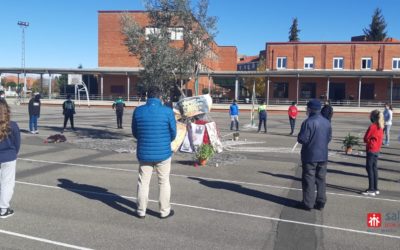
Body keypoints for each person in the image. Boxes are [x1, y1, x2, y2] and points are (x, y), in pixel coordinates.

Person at [132, 86, 177, 219]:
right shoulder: (168, 111)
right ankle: (164, 210)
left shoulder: (138, 111)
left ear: (147, 96)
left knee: (143, 182)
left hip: (144, 153)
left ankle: (141, 210)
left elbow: (135, 133)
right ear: (160, 97)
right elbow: (173, 134)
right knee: (163, 182)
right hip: (163, 153)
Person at [297, 99, 332, 211]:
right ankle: (321, 201)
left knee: (309, 179)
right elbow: (329, 138)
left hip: (310, 155)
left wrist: (299, 136)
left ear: (311, 109)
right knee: (321, 179)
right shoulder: (326, 122)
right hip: (323, 154)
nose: (306, 110)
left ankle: (308, 203)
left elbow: (303, 139)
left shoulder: (308, 122)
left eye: (307, 108)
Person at [0, 99, 21, 218]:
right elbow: (17, 143)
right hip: (8, 157)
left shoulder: (12, 125)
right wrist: (13, 154)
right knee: (7, 183)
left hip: (8, 156)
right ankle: (3, 209)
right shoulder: (13, 125)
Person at [362, 110, 384, 196]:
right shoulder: (381, 126)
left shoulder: (373, 126)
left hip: (371, 149)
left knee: (369, 168)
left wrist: (368, 140)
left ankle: (371, 189)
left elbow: (365, 138)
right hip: (377, 149)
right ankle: (375, 188)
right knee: (374, 168)